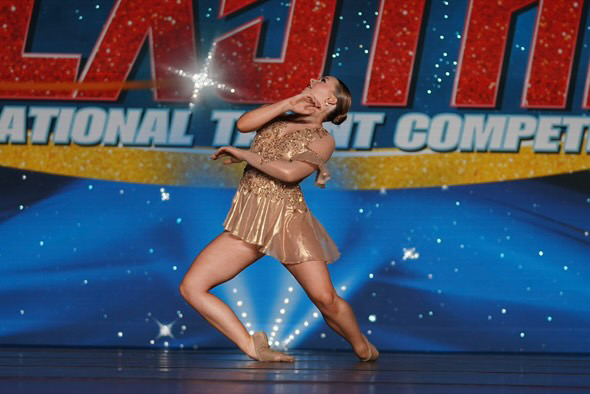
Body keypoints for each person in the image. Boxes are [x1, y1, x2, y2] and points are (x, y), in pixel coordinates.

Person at [179, 76, 379, 362]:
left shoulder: (324, 139)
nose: (311, 79)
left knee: (325, 300)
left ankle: (361, 346)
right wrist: (287, 102)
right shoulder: (277, 117)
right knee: (192, 287)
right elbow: (243, 124)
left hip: (289, 223)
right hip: (250, 222)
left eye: (322, 80)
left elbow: (291, 173)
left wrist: (246, 155)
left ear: (331, 100)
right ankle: (252, 346)